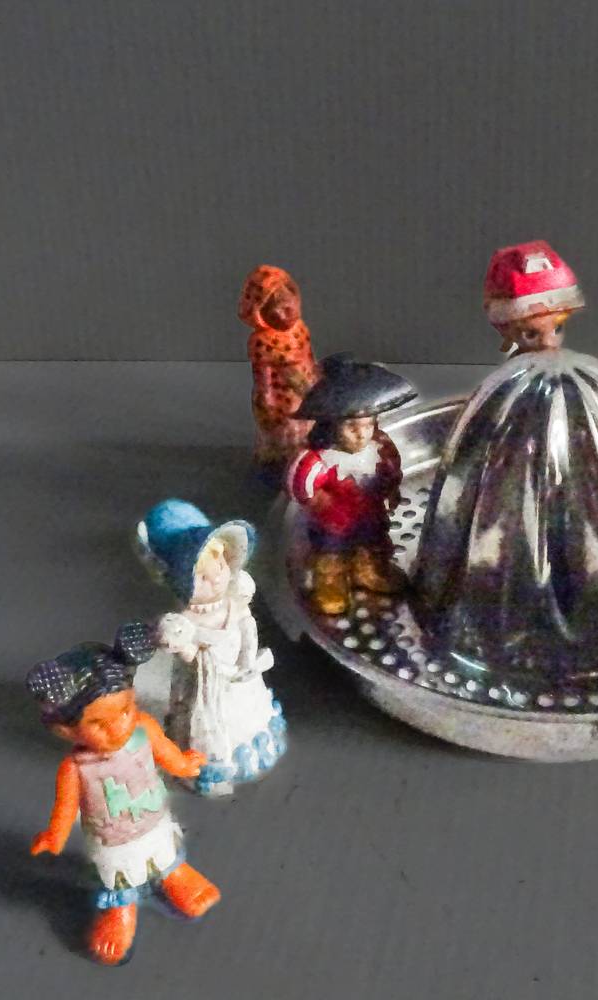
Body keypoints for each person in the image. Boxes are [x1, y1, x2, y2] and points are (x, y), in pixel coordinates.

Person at [414, 240, 598, 683]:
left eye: (556, 329)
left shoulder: (588, 389)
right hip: (489, 583)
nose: (549, 343)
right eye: (532, 334)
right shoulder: (508, 391)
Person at [26, 626, 221, 966]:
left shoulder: (144, 728)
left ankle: (174, 875)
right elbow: (67, 806)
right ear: (65, 730)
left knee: (163, 850)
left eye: (126, 709)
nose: (118, 727)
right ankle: (121, 910)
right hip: (112, 840)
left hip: (153, 820)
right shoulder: (76, 767)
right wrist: (55, 835)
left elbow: (166, 753)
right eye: (99, 724)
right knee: (117, 876)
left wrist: (184, 765)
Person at [137, 500, 286, 796]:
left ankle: (252, 747)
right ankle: (210, 766)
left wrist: (248, 658)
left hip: (240, 677)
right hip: (207, 689)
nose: (216, 577)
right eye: (202, 576)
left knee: (246, 713)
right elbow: (191, 658)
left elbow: (246, 626)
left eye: (219, 565)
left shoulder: (235, 601)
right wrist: (183, 647)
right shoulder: (187, 623)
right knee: (209, 726)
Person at [286, 353, 417, 614]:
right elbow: (300, 486)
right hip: (334, 524)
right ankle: (330, 587)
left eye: (368, 425)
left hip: (371, 514)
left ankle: (369, 573)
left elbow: (390, 470)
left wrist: (391, 489)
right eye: (352, 427)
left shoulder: (380, 447)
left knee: (373, 546)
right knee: (331, 557)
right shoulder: (320, 461)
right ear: (332, 427)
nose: (361, 434)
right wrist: (318, 503)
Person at [239, 265, 320, 465]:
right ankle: (285, 465)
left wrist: (317, 379)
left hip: (306, 392)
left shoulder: (299, 329)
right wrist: (268, 407)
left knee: (308, 429)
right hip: (282, 402)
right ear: (259, 313)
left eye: (287, 307)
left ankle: (306, 463)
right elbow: (267, 380)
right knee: (287, 436)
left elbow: (309, 358)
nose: (284, 316)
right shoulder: (263, 341)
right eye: (274, 311)